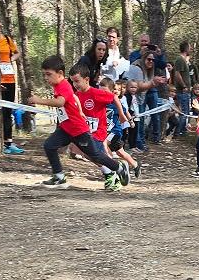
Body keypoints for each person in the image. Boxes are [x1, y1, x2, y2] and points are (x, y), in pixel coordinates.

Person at [28, 55, 130, 189]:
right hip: (66, 128)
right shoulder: (59, 86)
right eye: (44, 75)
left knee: (95, 155)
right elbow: (74, 97)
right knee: (49, 145)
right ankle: (59, 177)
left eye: (48, 74)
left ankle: (119, 167)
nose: (46, 78)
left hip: (78, 130)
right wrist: (80, 110)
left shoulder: (63, 85)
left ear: (60, 73)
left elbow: (60, 102)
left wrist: (39, 100)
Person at [70, 63, 132, 190]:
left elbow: (114, 97)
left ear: (86, 79)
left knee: (96, 155)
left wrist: (121, 114)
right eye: (73, 82)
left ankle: (113, 175)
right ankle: (114, 169)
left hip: (99, 131)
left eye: (77, 81)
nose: (75, 84)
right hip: (87, 131)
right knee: (85, 153)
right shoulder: (78, 95)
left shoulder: (96, 93)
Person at [0, 18, 24, 154]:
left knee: (7, 111)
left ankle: (8, 142)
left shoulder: (7, 39)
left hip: (9, 78)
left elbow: (17, 53)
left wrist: (9, 60)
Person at [126, 51, 167, 150]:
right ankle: (137, 143)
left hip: (138, 98)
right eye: (149, 59)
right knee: (137, 121)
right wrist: (153, 82)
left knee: (139, 120)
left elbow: (163, 64)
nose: (151, 61)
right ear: (144, 58)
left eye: (153, 60)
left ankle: (139, 143)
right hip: (131, 98)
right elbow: (139, 86)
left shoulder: (149, 70)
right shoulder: (137, 68)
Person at [101, 77, 141, 179]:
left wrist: (130, 121)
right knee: (120, 152)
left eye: (105, 91)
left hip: (115, 131)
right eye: (100, 91)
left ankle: (111, 168)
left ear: (111, 91)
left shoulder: (115, 102)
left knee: (104, 145)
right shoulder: (100, 102)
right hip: (107, 132)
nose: (102, 94)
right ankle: (135, 164)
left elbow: (125, 111)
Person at [174, 41, 193, 136]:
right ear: (186, 49)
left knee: (186, 112)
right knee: (184, 113)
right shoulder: (180, 59)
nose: (191, 49)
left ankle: (182, 131)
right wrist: (184, 86)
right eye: (189, 47)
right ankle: (178, 133)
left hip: (186, 91)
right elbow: (177, 74)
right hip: (182, 91)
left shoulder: (184, 60)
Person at [122, 80, 141, 151]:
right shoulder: (127, 97)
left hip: (136, 117)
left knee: (135, 132)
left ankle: (133, 146)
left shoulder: (134, 96)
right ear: (127, 88)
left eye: (135, 87)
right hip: (130, 118)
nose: (133, 89)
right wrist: (130, 115)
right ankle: (128, 146)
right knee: (129, 133)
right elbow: (127, 108)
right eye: (131, 87)